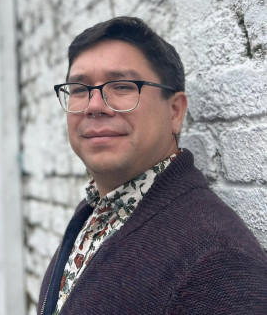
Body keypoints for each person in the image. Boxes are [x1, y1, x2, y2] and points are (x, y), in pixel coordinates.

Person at [38, 16, 267, 315]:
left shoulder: (217, 261)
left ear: (174, 111)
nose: (94, 106)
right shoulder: (95, 211)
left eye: (121, 86)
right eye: (80, 89)